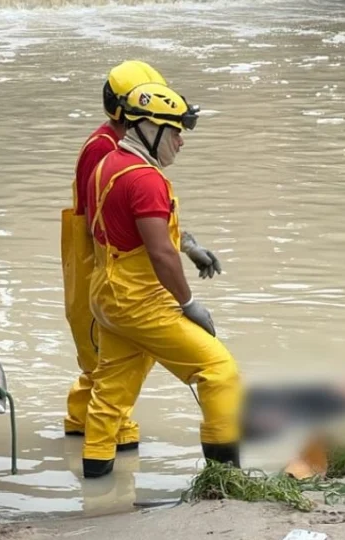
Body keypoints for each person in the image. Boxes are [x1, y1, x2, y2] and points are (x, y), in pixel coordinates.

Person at [80, 82, 242, 478]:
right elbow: (159, 252)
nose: (181, 142)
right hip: (140, 300)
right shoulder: (145, 179)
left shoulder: (108, 163)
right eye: (175, 132)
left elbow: (137, 232)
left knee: (113, 389)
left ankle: (96, 484)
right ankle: (225, 479)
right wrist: (189, 304)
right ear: (148, 128)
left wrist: (190, 243)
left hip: (107, 295)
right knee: (220, 372)